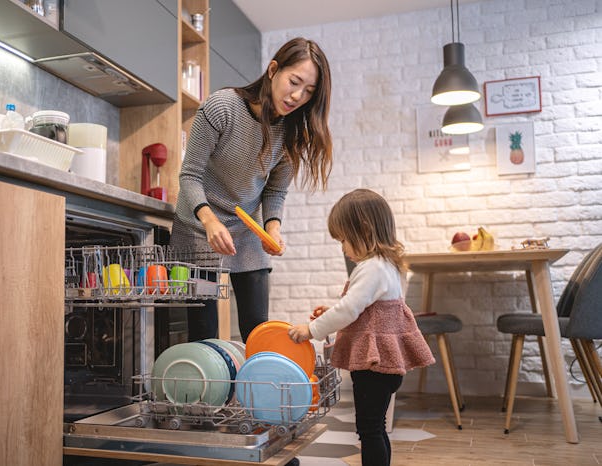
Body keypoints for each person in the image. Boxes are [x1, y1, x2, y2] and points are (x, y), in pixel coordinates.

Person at [170, 37, 333, 343]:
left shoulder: (291, 132)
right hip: (198, 224)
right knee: (204, 332)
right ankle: (208, 392)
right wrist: (209, 221)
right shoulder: (221, 107)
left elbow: (275, 192)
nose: (298, 96)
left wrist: (272, 228)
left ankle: (253, 392)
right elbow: (189, 176)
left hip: (247, 230)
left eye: (309, 91)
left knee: (257, 330)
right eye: (294, 82)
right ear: (273, 70)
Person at [288, 189, 435, 466]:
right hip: (386, 365)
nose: (342, 248)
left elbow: (349, 310)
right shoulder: (388, 266)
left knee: (369, 431)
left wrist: (311, 329)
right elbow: (362, 308)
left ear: (364, 230)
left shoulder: (371, 268)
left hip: (373, 366)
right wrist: (330, 310)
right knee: (376, 428)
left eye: (344, 239)